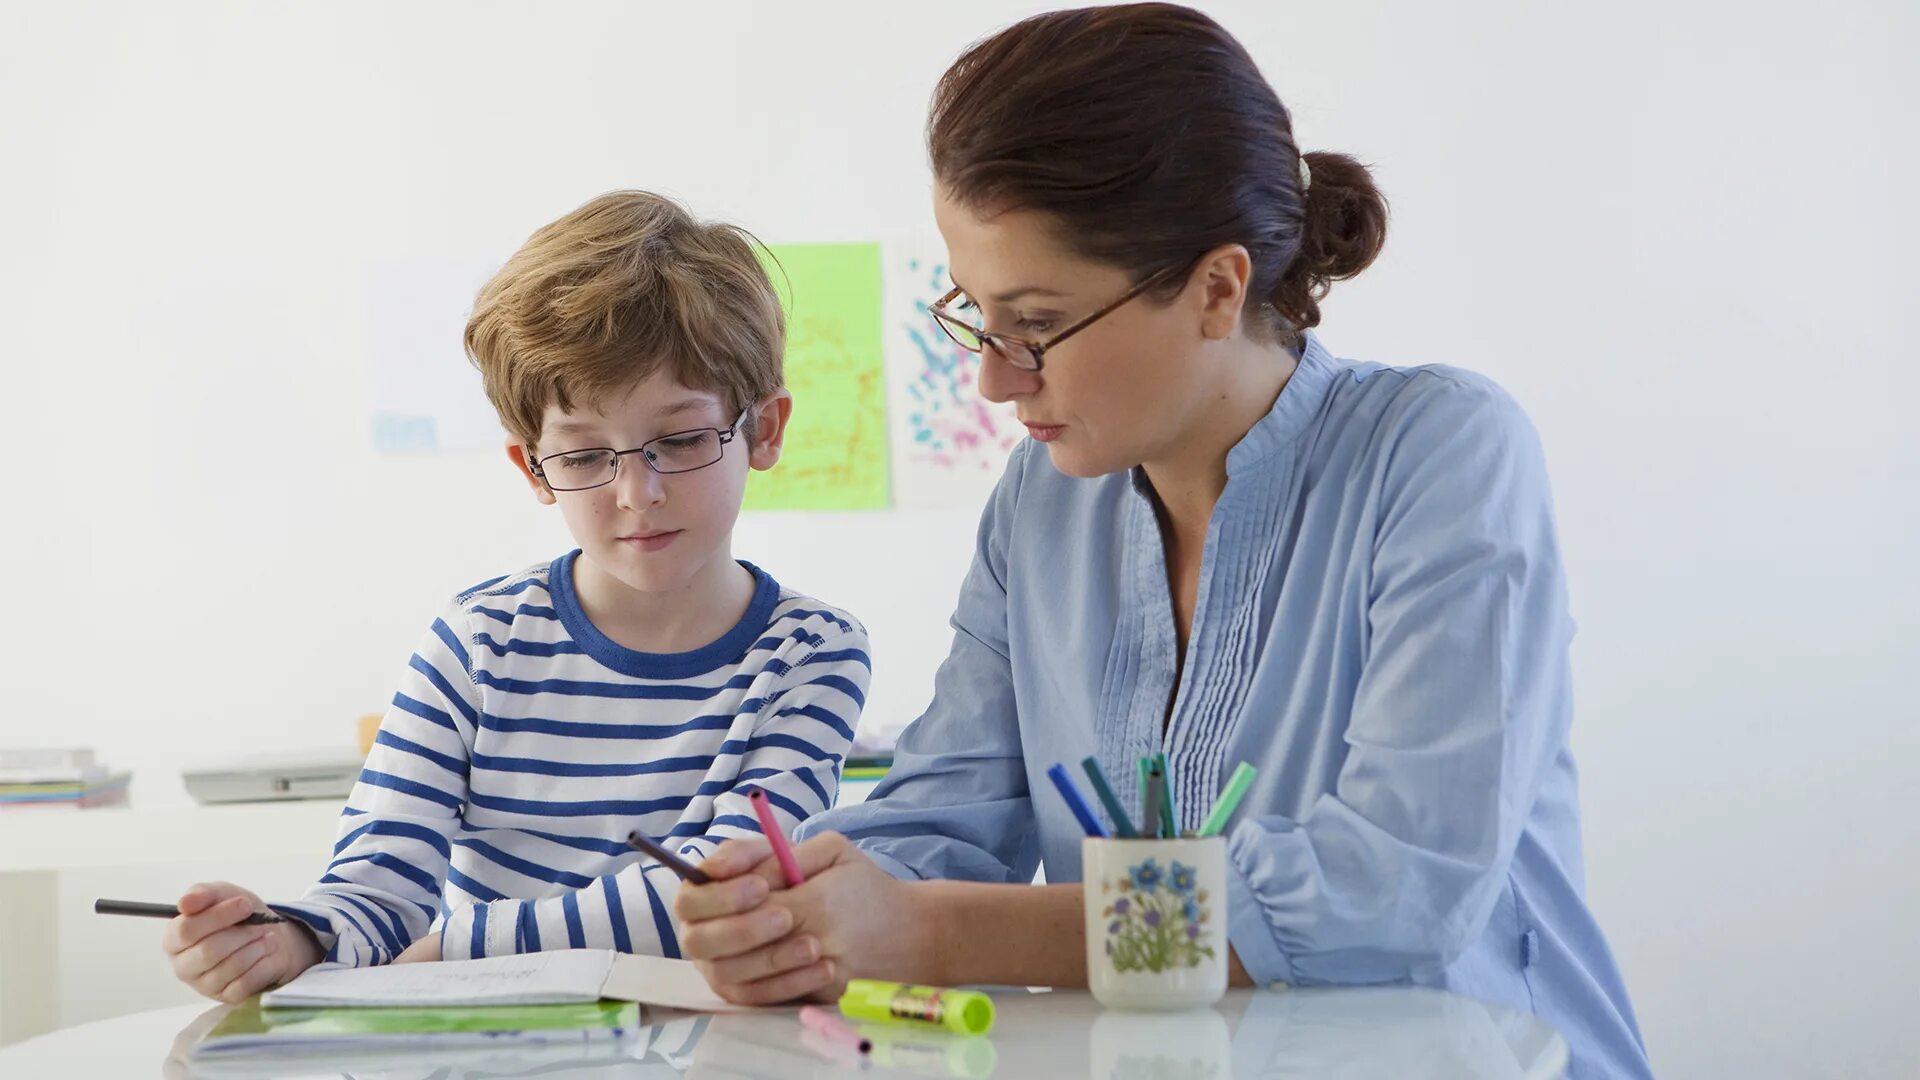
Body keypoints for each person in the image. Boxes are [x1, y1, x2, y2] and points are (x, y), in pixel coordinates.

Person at [671, 6, 1650, 1078]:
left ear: (1217, 288)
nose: (995, 376)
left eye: (1035, 325)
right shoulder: (1042, 500)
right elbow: (947, 814)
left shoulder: (1444, 451)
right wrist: (809, 900)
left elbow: (1393, 891)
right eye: (975, 315)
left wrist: (929, 930)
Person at [160, 190, 871, 1001]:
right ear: (533, 470)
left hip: (718, 1040)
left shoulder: (813, 651)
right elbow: (378, 882)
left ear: (765, 430)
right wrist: (289, 938)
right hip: (499, 1040)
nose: (638, 493)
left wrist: (454, 948)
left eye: (678, 440)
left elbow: (731, 895)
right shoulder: (478, 641)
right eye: (581, 455)